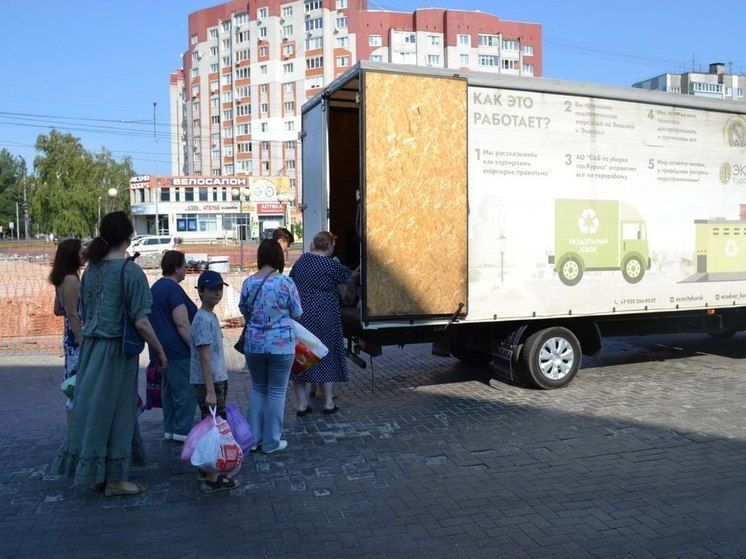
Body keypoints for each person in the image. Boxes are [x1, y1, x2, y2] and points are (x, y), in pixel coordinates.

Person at [52, 211, 167, 497]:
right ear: (128, 238)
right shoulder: (130, 271)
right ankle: (116, 480)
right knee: (118, 410)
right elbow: (141, 321)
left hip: (93, 348)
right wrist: (160, 351)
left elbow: (84, 314)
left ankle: (97, 473)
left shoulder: (90, 271)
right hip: (117, 351)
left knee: (94, 409)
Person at [239, 239, 302, 452]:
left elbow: (243, 310)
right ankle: (271, 442)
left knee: (258, 390)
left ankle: (252, 440)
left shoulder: (248, 283)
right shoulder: (286, 283)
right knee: (277, 392)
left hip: (254, 345)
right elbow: (297, 312)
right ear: (278, 257)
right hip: (281, 345)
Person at [289, 231, 359, 415]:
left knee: (301, 358)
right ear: (328, 245)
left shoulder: (302, 260)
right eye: (333, 245)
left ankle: (302, 404)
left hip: (303, 317)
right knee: (327, 355)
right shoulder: (330, 264)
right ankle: (328, 403)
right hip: (326, 316)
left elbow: (291, 280)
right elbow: (351, 277)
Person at [191, 270, 241, 492]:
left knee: (211, 425)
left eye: (220, 289)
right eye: (212, 290)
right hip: (210, 382)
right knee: (215, 426)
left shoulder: (210, 316)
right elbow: (204, 355)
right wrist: (210, 390)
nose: (217, 294)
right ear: (201, 291)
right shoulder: (202, 318)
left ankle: (206, 468)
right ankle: (214, 477)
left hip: (216, 378)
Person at [149, 250, 199, 442]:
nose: (186, 269)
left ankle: (170, 428)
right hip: (178, 350)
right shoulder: (173, 290)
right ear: (177, 268)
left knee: (168, 391)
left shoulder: (156, 287)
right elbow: (182, 323)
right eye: (184, 265)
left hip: (158, 348)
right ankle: (183, 430)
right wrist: (194, 347)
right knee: (185, 391)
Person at [49, 238, 85, 421]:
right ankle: (75, 433)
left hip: (69, 339)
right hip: (76, 341)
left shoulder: (61, 279)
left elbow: (58, 310)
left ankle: (73, 433)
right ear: (72, 256)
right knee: (78, 386)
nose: (84, 254)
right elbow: (72, 314)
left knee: (73, 385)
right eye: (81, 252)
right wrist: (83, 341)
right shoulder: (71, 280)